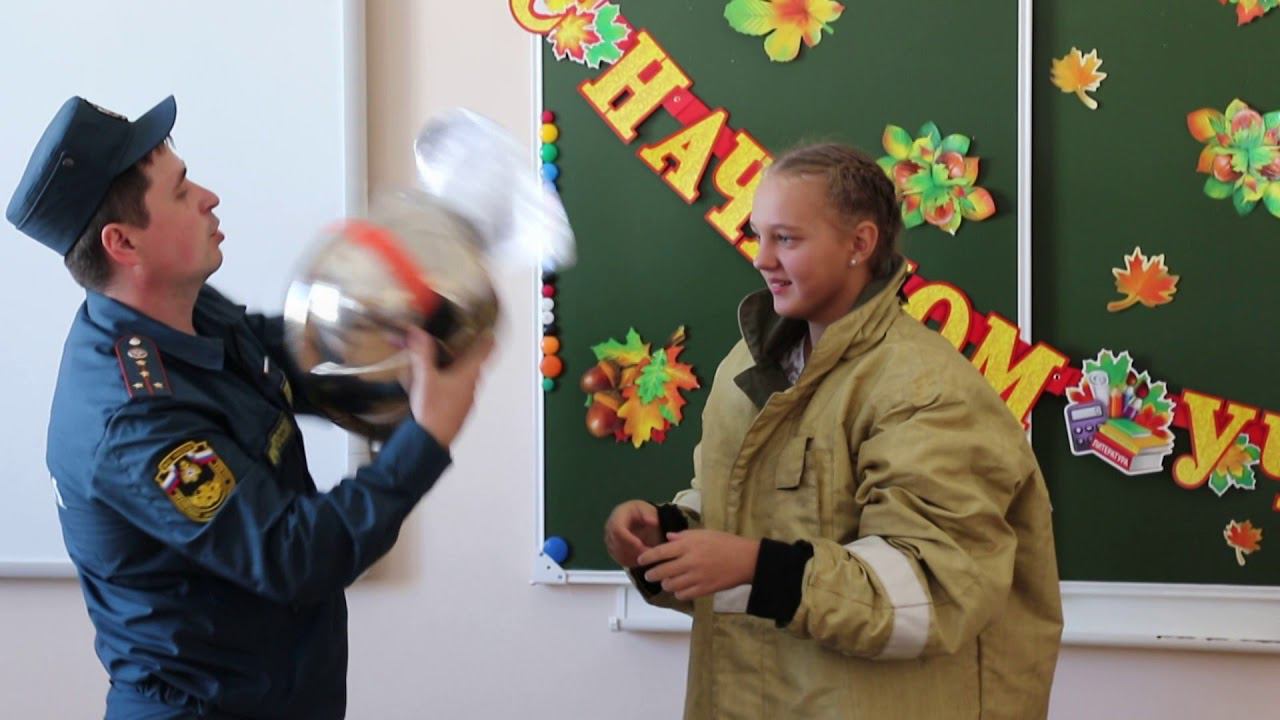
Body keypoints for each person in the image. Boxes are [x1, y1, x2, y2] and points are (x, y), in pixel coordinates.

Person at [5, 95, 493, 719]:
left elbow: (308, 364)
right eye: (181, 191)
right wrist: (425, 435)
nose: (209, 197)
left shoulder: (188, 313)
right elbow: (295, 554)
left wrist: (418, 327)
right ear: (123, 242)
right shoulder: (135, 421)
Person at [604, 143, 1063, 719]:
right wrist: (668, 535)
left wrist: (756, 566)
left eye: (786, 239)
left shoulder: (925, 387)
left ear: (859, 244)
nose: (762, 258)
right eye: (758, 235)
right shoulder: (743, 369)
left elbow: (936, 590)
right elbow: (739, 513)